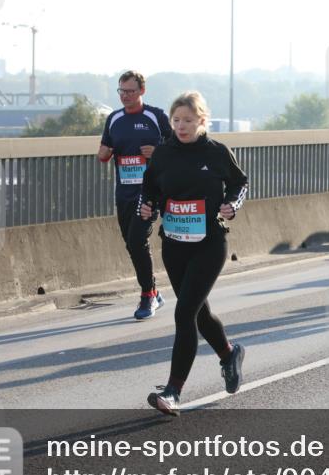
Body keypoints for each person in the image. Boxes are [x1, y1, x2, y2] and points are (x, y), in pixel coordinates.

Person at [139, 91, 248, 415]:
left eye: (188, 120)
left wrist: (232, 205)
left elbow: (240, 183)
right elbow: (151, 189)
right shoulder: (162, 154)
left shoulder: (216, 153)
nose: (181, 126)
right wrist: (147, 206)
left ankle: (173, 392)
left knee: (184, 313)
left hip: (209, 243)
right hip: (174, 245)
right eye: (176, 121)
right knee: (198, 312)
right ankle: (229, 354)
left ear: (202, 120)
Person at [98, 70, 173, 320]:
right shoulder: (114, 119)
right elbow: (103, 153)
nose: (125, 96)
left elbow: (179, 148)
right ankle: (153, 290)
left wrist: (158, 152)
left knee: (138, 239)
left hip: (150, 191)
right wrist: (106, 153)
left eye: (130, 91)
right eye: (121, 91)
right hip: (124, 192)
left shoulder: (156, 116)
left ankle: (147, 296)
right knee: (131, 243)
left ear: (142, 91)